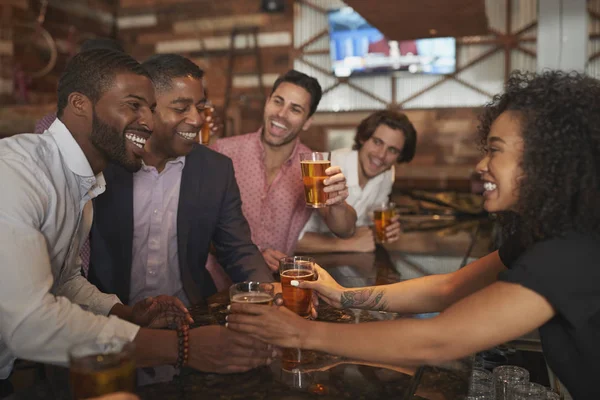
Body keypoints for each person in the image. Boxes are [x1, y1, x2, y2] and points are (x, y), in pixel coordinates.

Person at [226, 71, 600, 399]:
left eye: (494, 151)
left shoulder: (570, 252)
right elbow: (446, 289)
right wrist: (341, 296)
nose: (480, 165)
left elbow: (438, 339)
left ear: (546, 160)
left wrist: (301, 334)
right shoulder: (545, 237)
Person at [0, 49, 266, 390]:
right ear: (81, 104)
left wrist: (122, 312)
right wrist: (182, 348)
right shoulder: (16, 172)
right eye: (134, 105)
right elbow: (29, 325)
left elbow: (63, 280)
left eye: (151, 108)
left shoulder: (84, 184)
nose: (149, 121)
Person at [88, 54, 275, 381]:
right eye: (181, 108)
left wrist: (270, 295)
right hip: (111, 332)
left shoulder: (216, 169)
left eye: (200, 107)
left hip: (193, 327)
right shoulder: (105, 164)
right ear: (147, 109)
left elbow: (237, 248)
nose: (197, 119)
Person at [210, 69, 357, 271]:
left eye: (295, 109)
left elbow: (346, 230)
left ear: (307, 122)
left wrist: (338, 203)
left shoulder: (312, 166)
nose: (281, 113)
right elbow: (199, 224)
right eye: (278, 101)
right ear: (267, 102)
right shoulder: (223, 151)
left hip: (272, 288)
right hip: (214, 286)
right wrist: (251, 255)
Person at [296, 110, 416, 253]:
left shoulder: (386, 175)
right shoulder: (328, 167)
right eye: (377, 142)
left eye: (392, 150)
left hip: (343, 264)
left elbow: (363, 226)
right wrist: (344, 245)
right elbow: (286, 239)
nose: (381, 155)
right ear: (363, 138)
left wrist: (384, 230)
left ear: (400, 156)